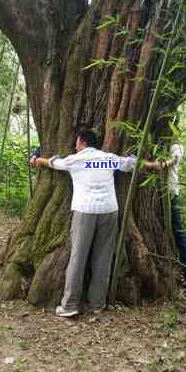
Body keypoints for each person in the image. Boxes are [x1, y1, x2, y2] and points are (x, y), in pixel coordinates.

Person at [31, 128, 137, 317]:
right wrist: (137, 158)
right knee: (103, 258)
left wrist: (36, 159)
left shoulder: (76, 159)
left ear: (81, 142)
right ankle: (97, 303)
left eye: (76, 142)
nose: (75, 145)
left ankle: (70, 305)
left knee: (78, 258)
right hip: (109, 210)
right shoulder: (107, 158)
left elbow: (54, 163)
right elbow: (129, 164)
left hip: (85, 210)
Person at [159, 142, 186, 284]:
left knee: (178, 230)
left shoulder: (174, 145)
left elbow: (175, 158)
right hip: (161, 193)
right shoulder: (161, 145)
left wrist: (163, 164)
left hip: (170, 193)